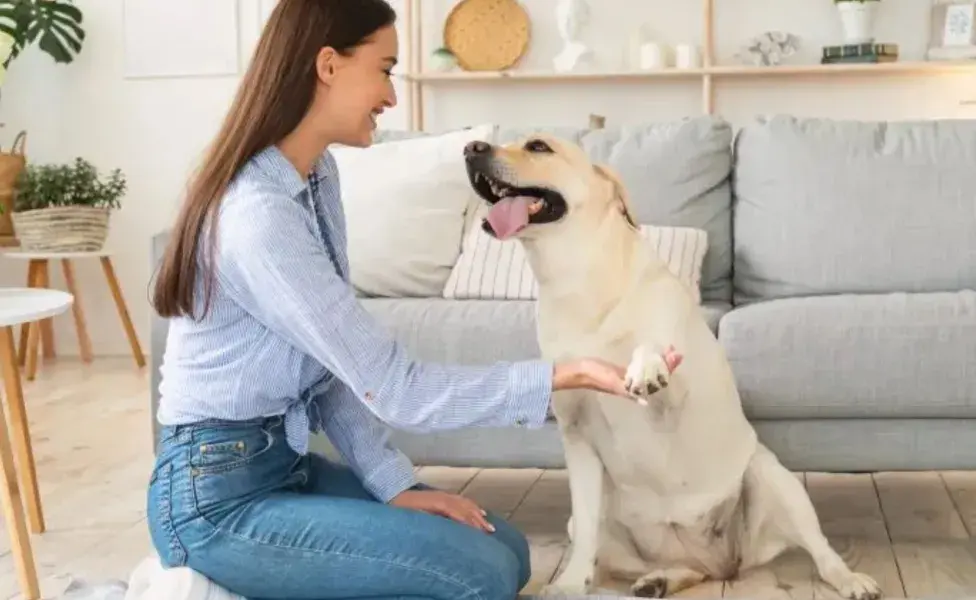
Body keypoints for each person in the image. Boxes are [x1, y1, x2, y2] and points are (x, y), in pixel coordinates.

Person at [147, 0, 681, 598]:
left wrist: (394, 485)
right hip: (213, 499)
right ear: (328, 65)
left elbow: (331, 373)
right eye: (385, 69)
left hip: (280, 467)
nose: (391, 97)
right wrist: (566, 373)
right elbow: (397, 389)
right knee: (476, 578)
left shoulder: (315, 176)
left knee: (503, 549)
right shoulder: (259, 216)